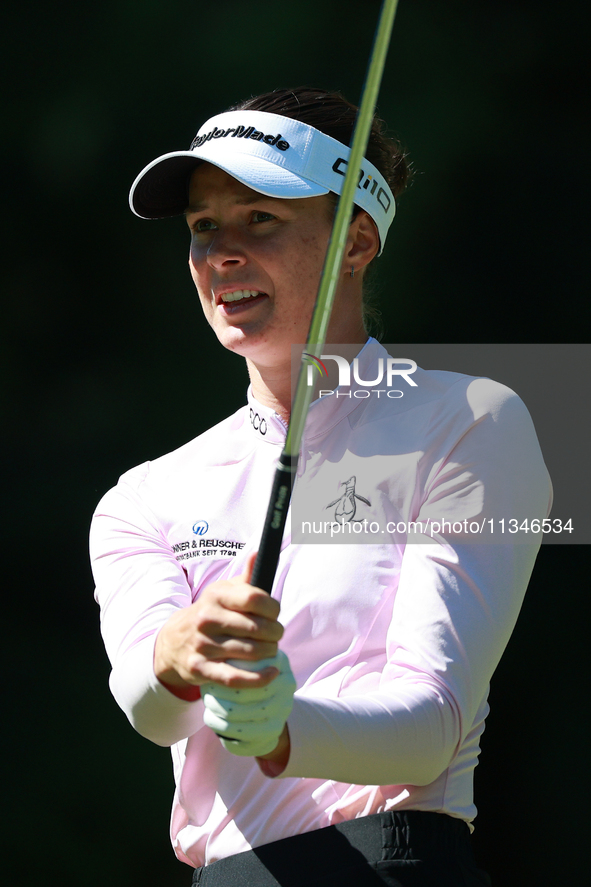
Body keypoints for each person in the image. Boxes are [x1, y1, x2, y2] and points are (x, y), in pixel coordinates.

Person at [90, 87, 552, 886]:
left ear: (356, 240)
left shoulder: (474, 417)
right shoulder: (144, 493)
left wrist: (282, 726)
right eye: (203, 227)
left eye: (258, 218)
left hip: (396, 863)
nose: (221, 252)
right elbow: (153, 713)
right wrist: (175, 652)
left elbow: (430, 723)